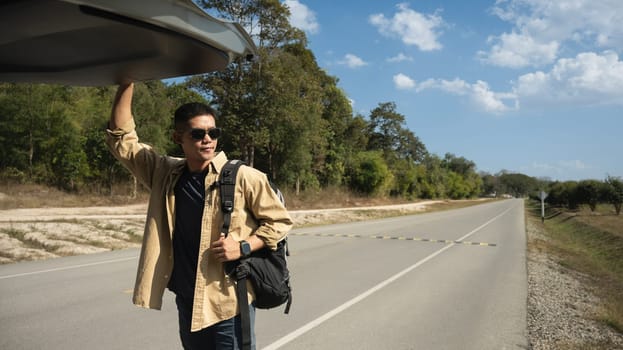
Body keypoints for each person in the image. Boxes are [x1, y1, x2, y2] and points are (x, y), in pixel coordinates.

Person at [106, 83, 293, 349]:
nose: (208, 139)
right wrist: (128, 80)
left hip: (228, 301)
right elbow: (122, 140)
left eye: (213, 132)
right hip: (187, 296)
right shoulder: (165, 173)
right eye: (197, 133)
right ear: (178, 137)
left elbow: (280, 222)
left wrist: (243, 246)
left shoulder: (244, 177)